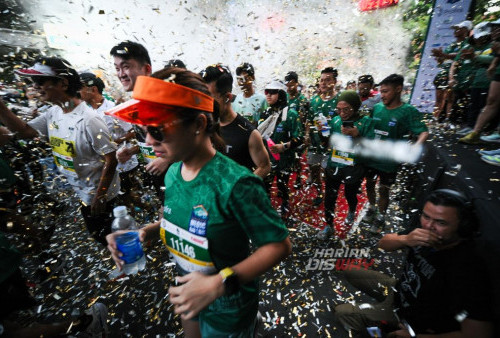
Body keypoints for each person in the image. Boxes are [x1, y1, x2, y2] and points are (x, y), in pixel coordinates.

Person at [106, 68, 291, 337]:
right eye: (144, 129)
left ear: (199, 125)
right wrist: (147, 232)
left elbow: (278, 245)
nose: (148, 140)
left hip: (229, 307)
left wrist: (219, 283)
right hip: (188, 293)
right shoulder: (172, 172)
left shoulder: (237, 183)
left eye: (157, 129)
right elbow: (181, 220)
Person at [335, 189, 494, 338]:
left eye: (441, 223)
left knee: (343, 313)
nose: (429, 227)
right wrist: (406, 239)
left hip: (412, 321)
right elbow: (383, 243)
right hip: (400, 291)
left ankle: (385, 331)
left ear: (463, 227)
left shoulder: (469, 268)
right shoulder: (422, 230)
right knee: (349, 270)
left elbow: (478, 333)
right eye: (426, 217)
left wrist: (415, 336)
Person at [0, 57, 120, 246]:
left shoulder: (90, 120)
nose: (36, 87)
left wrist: (101, 195)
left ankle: (131, 261)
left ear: (63, 83)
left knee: (111, 235)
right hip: (84, 193)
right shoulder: (53, 113)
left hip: (101, 196)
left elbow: (111, 160)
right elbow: (24, 132)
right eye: (33, 83)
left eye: (41, 82)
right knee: (99, 235)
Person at [363, 74, 429, 230]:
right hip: (372, 158)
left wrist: (416, 145)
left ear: (398, 89)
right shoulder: (377, 108)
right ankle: (372, 208)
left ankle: (380, 216)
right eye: (381, 91)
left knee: (384, 190)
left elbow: (424, 132)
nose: (382, 95)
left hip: (390, 162)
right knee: (370, 185)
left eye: (386, 91)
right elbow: (368, 127)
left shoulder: (408, 111)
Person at [110, 40, 171, 200]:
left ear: (147, 69)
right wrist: (132, 151)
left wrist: (166, 159)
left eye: (126, 67)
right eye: (117, 68)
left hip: (177, 176)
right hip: (157, 176)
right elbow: (150, 140)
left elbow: (196, 140)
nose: (121, 74)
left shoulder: (163, 100)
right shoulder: (136, 103)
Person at [317, 91, 372, 239]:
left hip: (354, 168)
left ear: (355, 107)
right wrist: (322, 133)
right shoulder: (335, 120)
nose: (342, 113)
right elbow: (327, 144)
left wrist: (357, 135)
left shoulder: (366, 122)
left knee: (350, 194)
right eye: (339, 109)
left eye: (346, 109)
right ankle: (328, 226)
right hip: (334, 164)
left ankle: (352, 210)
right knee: (329, 197)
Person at [201, 63, 271, 179]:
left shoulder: (249, 133)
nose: (204, 104)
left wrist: (239, 190)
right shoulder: (203, 127)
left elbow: (264, 166)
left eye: (209, 98)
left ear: (227, 97)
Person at [79, 72, 140, 201]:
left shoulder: (114, 109)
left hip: (123, 162)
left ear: (93, 89)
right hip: (104, 165)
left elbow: (133, 131)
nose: (78, 91)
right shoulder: (85, 111)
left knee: (128, 196)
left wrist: (114, 142)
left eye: (81, 87)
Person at [258, 80, 302, 219]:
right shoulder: (265, 113)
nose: (268, 95)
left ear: (281, 94)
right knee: (265, 186)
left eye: (272, 92)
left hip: (284, 159)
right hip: (267, 159)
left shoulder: (291, 114)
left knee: (283, 184)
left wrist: (283, 147)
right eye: (266, 92)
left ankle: (285, 205)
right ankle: (265, 209)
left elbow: (299, 139)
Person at [460, 19, 500, 146]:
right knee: (491, 100)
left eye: (498, 28)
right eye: (494, 28)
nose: (495, 31)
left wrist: (477, 58)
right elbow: (497, 57)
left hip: (487, 79)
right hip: (496, 74)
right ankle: (475, 133)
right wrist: (493, 65)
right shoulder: (496, 43)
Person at [305, 67, 341, 206]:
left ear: (335, 82)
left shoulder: (340, 100)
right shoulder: (314, 101)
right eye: (322, 80)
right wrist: (307, 134)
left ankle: (330, 197)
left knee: (329, 174)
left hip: (332, 146)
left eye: (328, 80)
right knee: (314, 171)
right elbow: (309, 120)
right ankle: (319, 193)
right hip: (315, 144)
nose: (324, 83)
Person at [454, 22, 494, 136]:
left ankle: (483, 129)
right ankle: (471, 126)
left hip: (488, 82)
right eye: (477, 38)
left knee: (484, 106)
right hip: (476, 82)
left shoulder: (492, 46)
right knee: (473, 105)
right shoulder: (475, 48)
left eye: (481, 37)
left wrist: (475, 57)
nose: (479, 40)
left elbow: (492, 60)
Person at [431, 20, 472, 121]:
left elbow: (459, 56)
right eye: (455, 29)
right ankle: (435, 119)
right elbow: (442, 61)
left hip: (455, 75)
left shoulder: (468, 43)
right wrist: (439, 57)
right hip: (442, 74)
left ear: (466, 30)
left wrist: (443, 55)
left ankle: (447, 120)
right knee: (439, 98)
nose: (455, 31)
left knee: (449, 98)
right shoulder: (452, 45)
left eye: (458, 29)